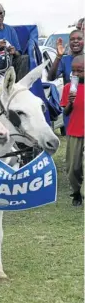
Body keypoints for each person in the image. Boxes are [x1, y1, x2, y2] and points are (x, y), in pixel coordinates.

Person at [60, 55, 84, 206]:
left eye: (80, 71)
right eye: (73, 71)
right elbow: (66, 112)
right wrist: (70, 101)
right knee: (72, 168)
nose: (76, 74)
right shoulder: (68, 88)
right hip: (74, 132)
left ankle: (82, 195)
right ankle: (76, 191)